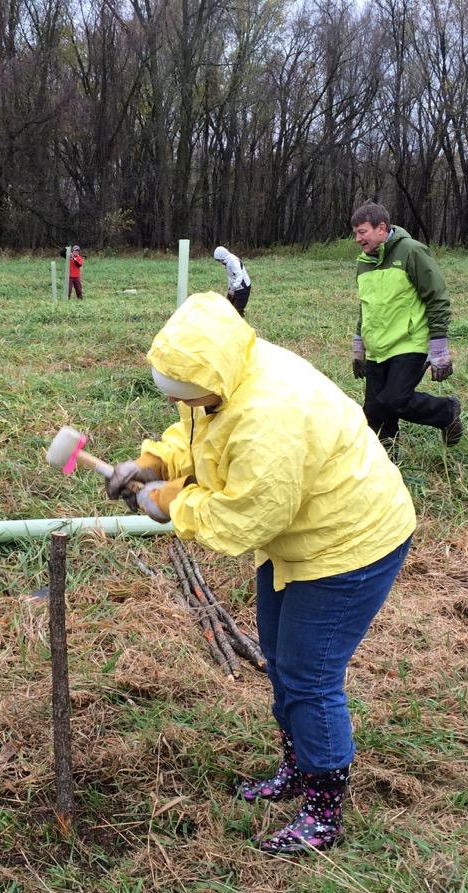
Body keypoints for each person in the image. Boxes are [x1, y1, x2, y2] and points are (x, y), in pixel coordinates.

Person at [107, 292, 415, 854]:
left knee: (310, 676)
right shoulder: (224, 372)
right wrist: (151, 464)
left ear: (212, 376)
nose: (186, 402)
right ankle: (298, 766)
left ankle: (325, 810)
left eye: (188, 393)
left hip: (351, 543)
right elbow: (198, 430)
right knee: (280, 655)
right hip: (303, 536)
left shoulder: (270, 414)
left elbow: (245, 516)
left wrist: (174, 502)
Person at [349, 202, 463, 447]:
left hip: (409, 342)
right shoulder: (363, 262)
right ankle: (387, 468)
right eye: (355, 233)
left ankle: (447, 411)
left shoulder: (411, 251)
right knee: (374, 413)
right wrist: (359, 346)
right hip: (378, 348)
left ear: (381, 228)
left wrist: (439, 348)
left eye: (362, 232)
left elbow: (437, 296)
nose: (358, 238)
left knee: (395, 400)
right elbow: (365, 306)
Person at [212, 245, 251, 316]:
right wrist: (230, 288)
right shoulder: (226, 262)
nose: (219, 262)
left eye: (219, 260)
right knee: (227, 307)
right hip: (235, 287)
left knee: (237, 312)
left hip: (243, 288)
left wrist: (233, 288)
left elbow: (240, 276)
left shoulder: (233, 261)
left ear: (222, 257)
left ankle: (240, 322)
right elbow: (231, 276)